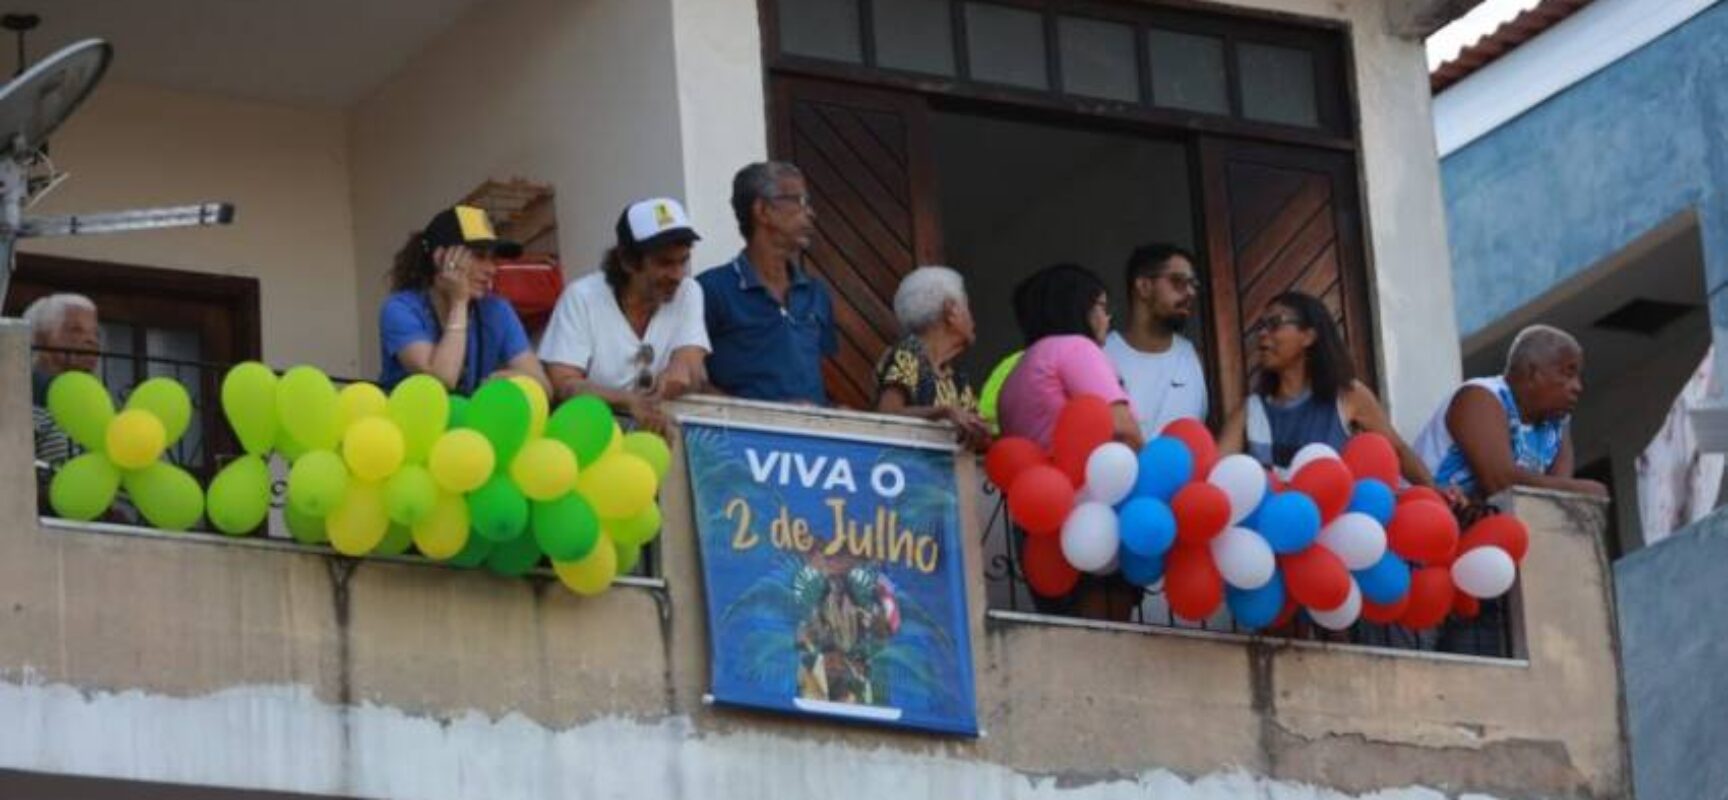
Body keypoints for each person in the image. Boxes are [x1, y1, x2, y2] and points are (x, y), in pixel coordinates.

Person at [1220, 291, 1433, 485]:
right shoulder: (1250, 410)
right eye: (1261, 326)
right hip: (1276, 515)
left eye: (1275, 323)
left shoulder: (1348, 396)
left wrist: (1435, 492)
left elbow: (1399, 451)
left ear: (1308, 336)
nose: (1262, 333)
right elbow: (1216, 470)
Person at [539, 198, 709, 435]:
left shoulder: (689, 291)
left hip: (661, 431)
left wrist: (678, 371)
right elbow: (564, 385)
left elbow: (691, 362)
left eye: (683, 261)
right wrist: (625, 400)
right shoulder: (582, 297)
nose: (678, 275)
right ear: (628, 261)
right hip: (591, 433)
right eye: (665, 263)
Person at [1414, 324, 1607, 499]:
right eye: (1568, 373)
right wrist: (1585, 489)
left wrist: (1574, 491)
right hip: (1422, 510)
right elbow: (1501, 484)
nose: (1577, 387)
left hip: (1478, 519)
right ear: (1533, 373)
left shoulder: (1557, 421)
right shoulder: (1481, 397)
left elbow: (1559, 498)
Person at [699, 161, 837, 405]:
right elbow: (692, 381)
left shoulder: (816, 293)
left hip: (811, 428)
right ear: (762, 210)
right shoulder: (711, 290)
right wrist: (757, 416)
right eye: (798, 200)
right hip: (740, 430)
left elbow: (823, 375)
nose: (810, 213)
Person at [379, 205, 549, 395]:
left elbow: (545, 387)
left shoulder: (497, 309)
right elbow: (441, 381)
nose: (492, 269)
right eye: (479, 256)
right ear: (441, 258)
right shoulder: (400, 309)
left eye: (493, 259)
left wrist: (517, 380)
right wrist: (459, 303)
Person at [997, 263, 1143, 452]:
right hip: (1090, 471)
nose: (1108, 318)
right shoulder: (1076, 348)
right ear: (1079, 307)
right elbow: (1123, 429)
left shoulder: (1018, 369)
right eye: (1103, 306)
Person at [873, 266, 991, 450]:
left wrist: (980, 430)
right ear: (951, 311)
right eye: (967, 307)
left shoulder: (955, 376)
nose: (973, 319)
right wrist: (944, 412)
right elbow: (888, 414)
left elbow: (975, 425)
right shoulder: (909, 352)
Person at [1103, 243, 1208, 437]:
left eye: (1193, 285)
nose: (1191, 292)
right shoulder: (1100, 356)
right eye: (1178, 281)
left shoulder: (1195, 359)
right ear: (1144, 287)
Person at [23, 293, 100, 472]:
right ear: (41, 338)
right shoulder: (20, 395)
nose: (92, 340)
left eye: (95, 333)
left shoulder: (97, 403)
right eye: (76, 330)